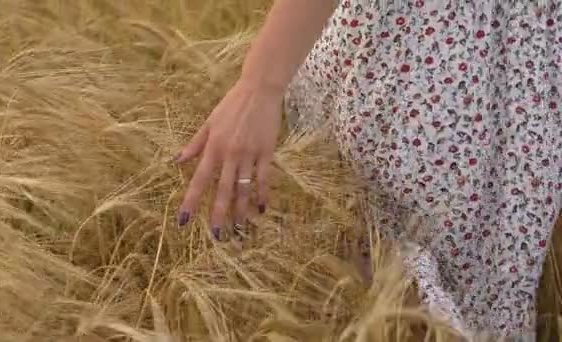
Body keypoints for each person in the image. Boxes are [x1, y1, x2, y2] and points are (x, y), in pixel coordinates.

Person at [174, 0, 561, 340]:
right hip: (515, 98)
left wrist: (260, 83)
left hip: (428, 74)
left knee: (384, 294)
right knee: (435, 303)